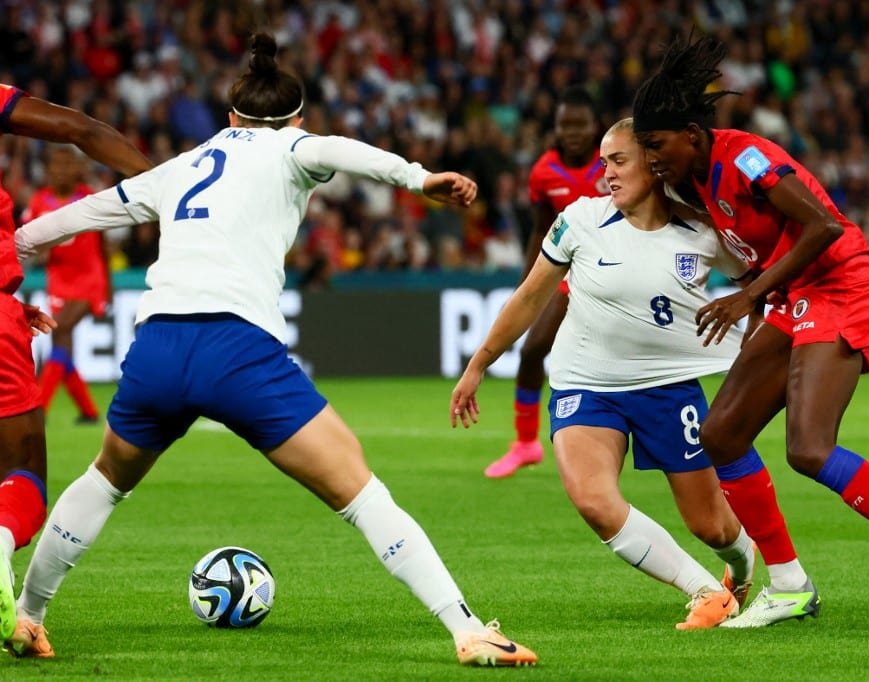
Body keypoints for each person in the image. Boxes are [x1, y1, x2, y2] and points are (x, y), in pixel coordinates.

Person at [8, 34, 536, 667]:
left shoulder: (183, 164)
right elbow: (344, 150)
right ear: (296, 117)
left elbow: (75, 216)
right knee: (360, 492)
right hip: (237, 349)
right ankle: (467, 629)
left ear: (230, 117)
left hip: (157, 348)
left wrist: (12, 270)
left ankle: (29, 617)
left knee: (103, 481)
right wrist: (421, 178)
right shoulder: (296, 146)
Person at [631, 33, 869, 631]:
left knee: (808, 448)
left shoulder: (746, 159)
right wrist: (757, 301)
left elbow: (823, 226)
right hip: (794, 298)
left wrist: (747, 294)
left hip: (845, 284)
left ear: (692, 134)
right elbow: (760, 251)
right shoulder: (692, 184)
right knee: (721, 435)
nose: (651, 157)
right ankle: (790, 585)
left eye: (656, 144)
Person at [451, 118, 760, 630]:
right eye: (604, 161)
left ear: (653, 165)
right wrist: (479, 362)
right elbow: (530, 295)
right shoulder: (579, 220)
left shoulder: (703, 232)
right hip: (585, 383)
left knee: (712, 526)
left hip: (668, 388)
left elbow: (759, 291)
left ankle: (741, 563)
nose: (605, 172)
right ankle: (704, 590)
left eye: (618, 161)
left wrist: (756, 360)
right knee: (594, 500)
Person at [0, 82, 153, 646]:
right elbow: (81, 128)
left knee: (60, 346)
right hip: (4, 314)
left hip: (73, 289)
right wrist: (168, 185)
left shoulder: (67, 199)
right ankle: (1, 547)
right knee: (21, 479)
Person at [483, 86, 609, 478]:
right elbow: (539, 232)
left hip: (617, 273)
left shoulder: (613, 163)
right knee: (532, 349)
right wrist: (527, 286)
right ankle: (525, 443)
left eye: (580, 125)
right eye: (564, 125)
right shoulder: (543, 172)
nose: (572, 132)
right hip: (570, 275)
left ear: (595, 127)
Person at [22, 146, 107, 424]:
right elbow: (28, 242)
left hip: (89, 280)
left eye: (67, 165)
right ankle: (89, 411)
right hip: (58, 281)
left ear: (77, 169)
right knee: (62, 341)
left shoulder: (89, 198)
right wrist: (39, 253)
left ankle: (40, 407)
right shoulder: (39, 201)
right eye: (55, 166)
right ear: (47, 171)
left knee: (62, 330)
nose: (61, 171)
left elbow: (103, 241)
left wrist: (109, 285)